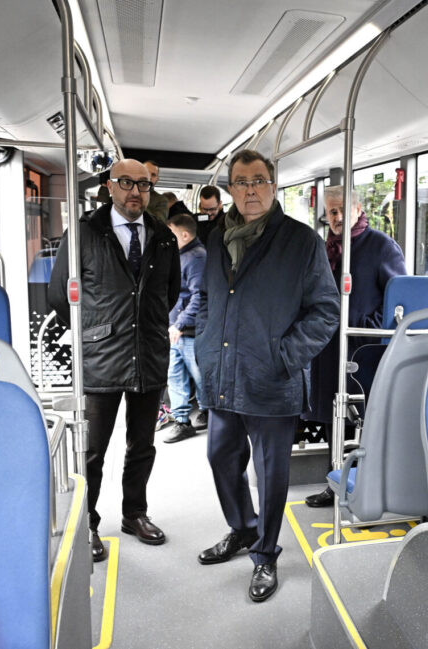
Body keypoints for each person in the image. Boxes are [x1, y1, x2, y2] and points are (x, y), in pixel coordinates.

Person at [194, 150, 338, 602]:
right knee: (221, 457)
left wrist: (284, 356)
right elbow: (206, 298)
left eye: (259, 180)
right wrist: (203, 343)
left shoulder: (300, 242)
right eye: (241, 182)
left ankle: (266, 554)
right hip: (224, 373)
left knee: (270, 472)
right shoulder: (216, 239)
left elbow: (326, 310)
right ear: (230, 190)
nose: (250, 189)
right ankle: (242, 528)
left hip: (272, 379)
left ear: (273, 187)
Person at [49, 158, 180, 562]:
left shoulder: (162, 236)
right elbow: (59, 296)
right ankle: (86, 521)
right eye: (126, 183)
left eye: (143, 185)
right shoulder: (85, 234)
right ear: (109, 186)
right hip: (101, 356)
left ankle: (134, 513)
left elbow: (170, 293)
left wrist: (148, 327)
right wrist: (100, 325)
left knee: (142, 444)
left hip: (148, 356)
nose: (135, 191)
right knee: (93, 450)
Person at [304, 186, 407, 508]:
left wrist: (368, 328)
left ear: (358, 209)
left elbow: (398, 300)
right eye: (330, 212)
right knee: (334, 417)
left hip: (362, 348)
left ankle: (365, 486)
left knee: (364, 419)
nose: (335, 217)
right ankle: (334, 482)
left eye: (341, 211)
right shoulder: (327, 247)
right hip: (328, 347)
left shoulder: (381, 246)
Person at [164, 212, 208, 444]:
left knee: (198, 375)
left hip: (188, 330)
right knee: (175, 374)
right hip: (175, 328)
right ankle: (181, 419)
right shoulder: (181, 256)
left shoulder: (196, 258)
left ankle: (208, 411)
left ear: (184, 234)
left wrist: (180, 324)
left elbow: (199, 296)